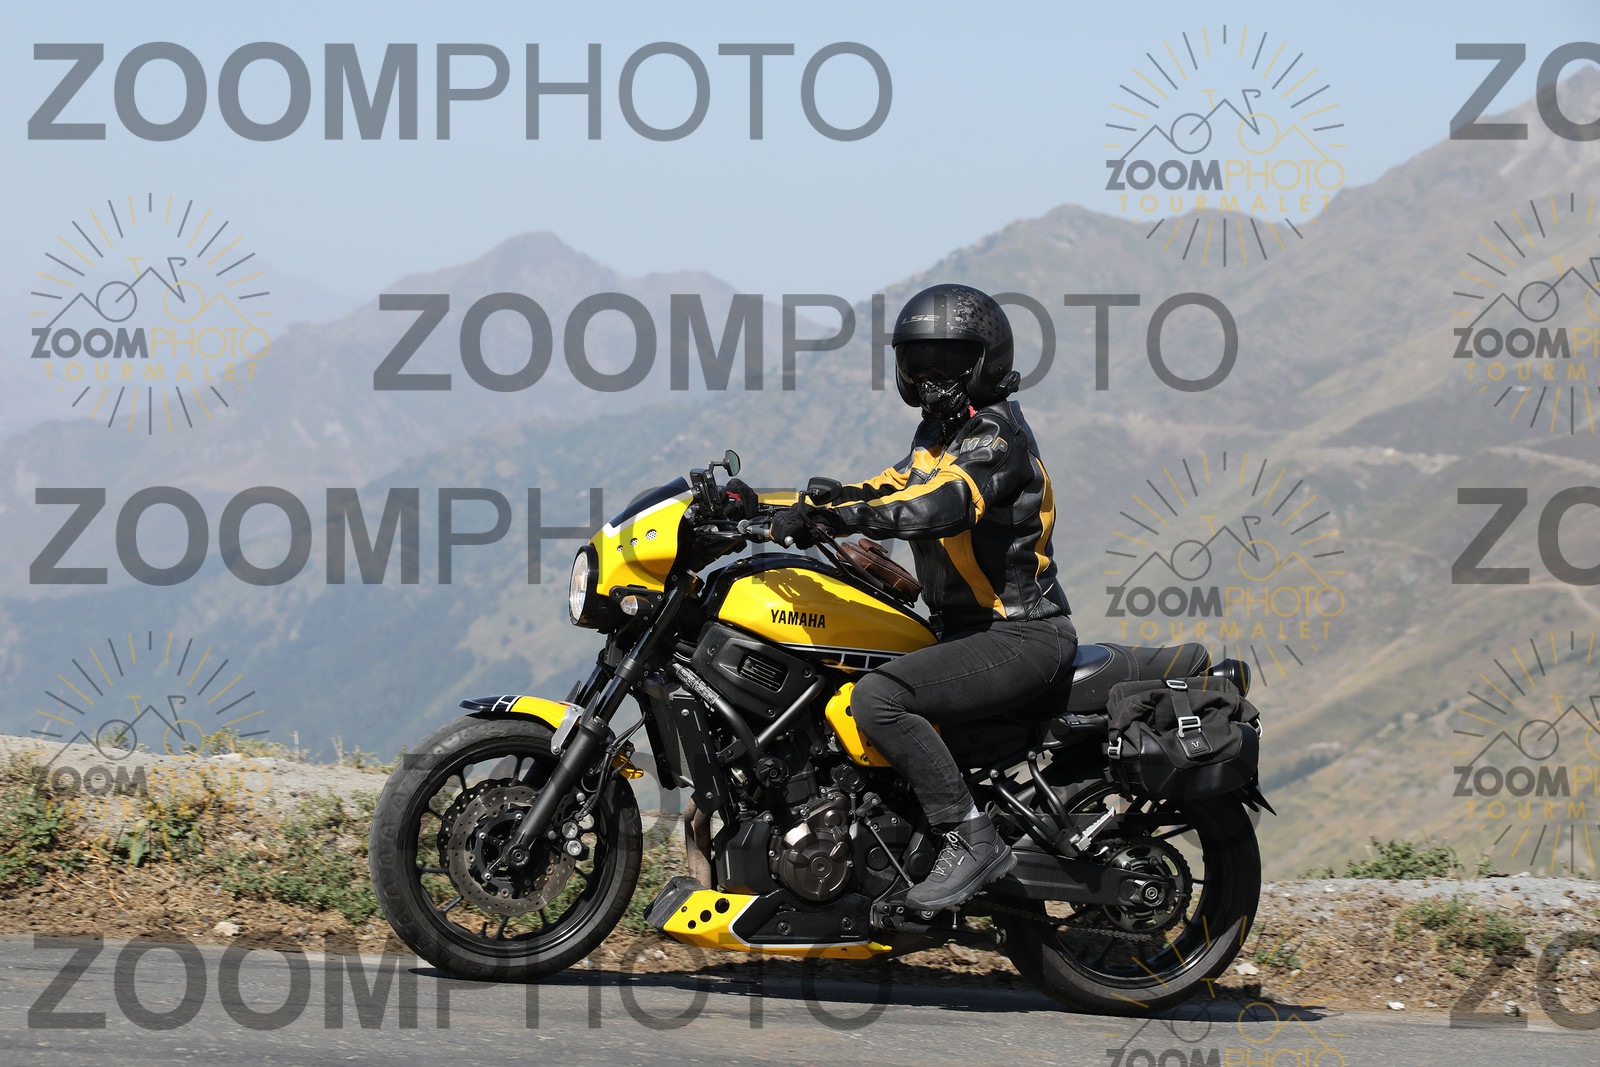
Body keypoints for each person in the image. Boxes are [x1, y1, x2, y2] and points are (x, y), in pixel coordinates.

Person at [771, 283, 1077, 911]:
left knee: (878, 698)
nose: (928, 378)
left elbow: (942, 503)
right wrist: (764, 505)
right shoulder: (936, 436)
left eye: (943, 362)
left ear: (984, 361)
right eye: (917, 363)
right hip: (965, 634)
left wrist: (843, 517)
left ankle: (971, 840)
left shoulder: (996, 437)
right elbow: (886, 487)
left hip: (1019, 633)